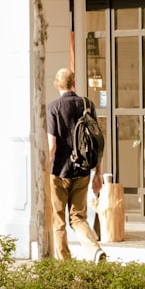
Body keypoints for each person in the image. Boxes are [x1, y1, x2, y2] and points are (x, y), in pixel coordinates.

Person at [46, 68, 106, 262]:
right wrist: (98, 173)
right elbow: (97, 142)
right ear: (74, 83)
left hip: (58, 172)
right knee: (78, 218)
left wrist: (44, 170)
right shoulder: (87, 104)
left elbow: (52, 145)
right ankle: (95, 250)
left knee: (58, 220)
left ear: (56, 84)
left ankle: (65, 263)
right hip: (82, 170)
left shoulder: (53, 108)